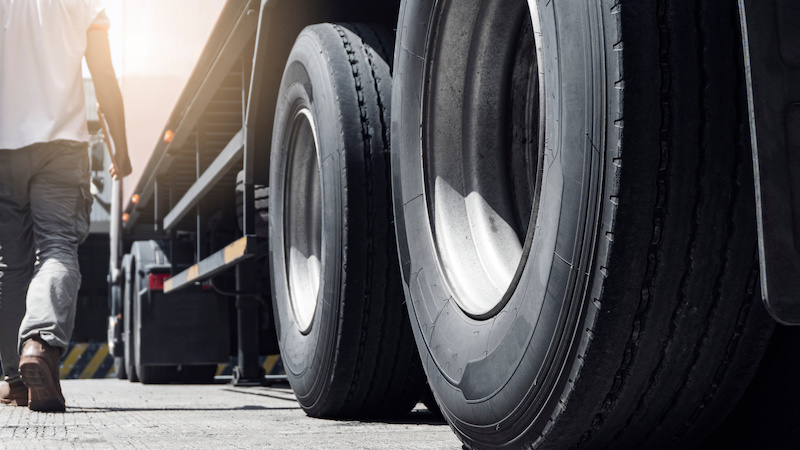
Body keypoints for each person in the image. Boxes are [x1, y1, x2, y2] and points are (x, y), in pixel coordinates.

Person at [0, 0, 131, 412]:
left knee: (10, 264)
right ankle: (39, 343)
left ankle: (14, 379)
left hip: (3, 148)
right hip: (61, 147)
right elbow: (104, 74)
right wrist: (120, 147)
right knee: (57, 248)